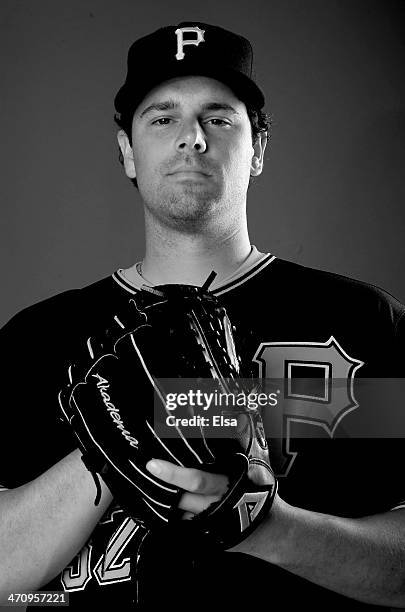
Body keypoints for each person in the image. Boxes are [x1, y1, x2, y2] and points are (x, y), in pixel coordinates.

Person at [0, 21, 404, 611]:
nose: (192, 137)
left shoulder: (362, 323)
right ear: (126, 150)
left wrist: (265, 526)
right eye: (162, 118)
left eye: (219, 118)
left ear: (258, 148)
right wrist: (111, 447)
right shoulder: (36, 340)